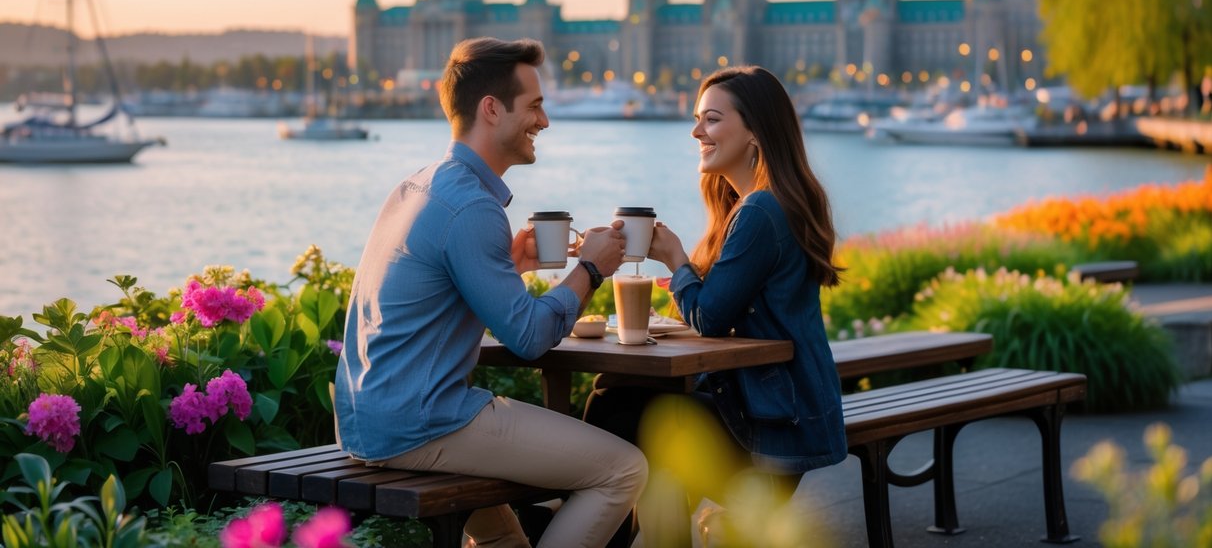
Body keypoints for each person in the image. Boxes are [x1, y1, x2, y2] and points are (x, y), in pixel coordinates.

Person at [334, 37, 647, 548]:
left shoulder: (418, 185)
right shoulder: (473, 208)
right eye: (535, 106)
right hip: (422, 423)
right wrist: (591, 268)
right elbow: (528, 337)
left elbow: (432, 300)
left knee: (505, 540)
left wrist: (511, 266)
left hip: (367, 418)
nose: (544, 122)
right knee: (622, 470)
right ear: (491, 109)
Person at [585, 65, 847, 542]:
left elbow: (708, 318)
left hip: (773, 429)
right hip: (790, 412)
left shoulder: (761, 211)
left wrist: (676, 258)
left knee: (617, 402)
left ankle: (590, 527)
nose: (696, 131)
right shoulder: (771, 204)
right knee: (627, 406)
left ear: (754, 132)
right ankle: (607, 525)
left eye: (711, 119)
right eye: (697, 119)